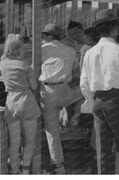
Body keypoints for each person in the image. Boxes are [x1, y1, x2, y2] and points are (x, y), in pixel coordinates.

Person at [80, 9, 119, 174]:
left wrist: (92, 102)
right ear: (114, 30)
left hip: (98, 101)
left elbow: (84, 83)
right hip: (117, 101)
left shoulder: (89, 53)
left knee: (103, 149)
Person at [39, 23, 83, 174]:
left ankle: (59, 166)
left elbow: (31, 70)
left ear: (49, 36)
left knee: (51, 131)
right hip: (64, 91)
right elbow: (77, 74)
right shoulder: (70, 50)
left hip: (46, 91)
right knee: (87, 89)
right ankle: (74, 117)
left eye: (43, 36)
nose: (42, 38)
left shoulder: (40, 50)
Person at [0, 34, 41, 174]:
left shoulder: (2, 64)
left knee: (14, 143)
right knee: (30, 141)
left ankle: (15, 172)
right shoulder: (24, 64)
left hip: (11, 103)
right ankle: (25, 171)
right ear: (19, 47)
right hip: (27, 102)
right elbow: (34, 86)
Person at [60, 21, 85, 130]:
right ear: (74, 31)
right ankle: (74, 120)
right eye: (79, 33)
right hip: (64, 86)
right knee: (85, 90)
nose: (81, 35)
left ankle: (70, 120)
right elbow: (73, 68)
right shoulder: (67, 44)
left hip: (59, 86)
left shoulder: (68, 42)